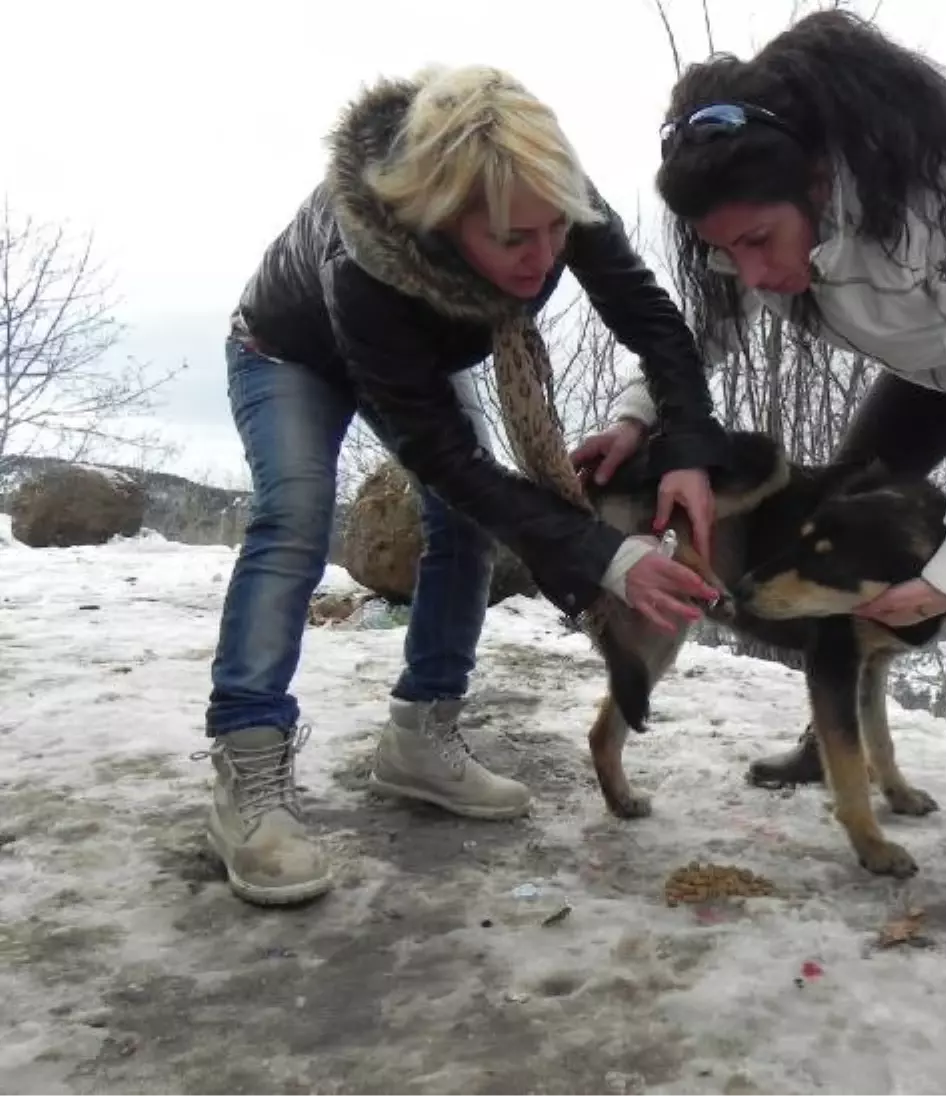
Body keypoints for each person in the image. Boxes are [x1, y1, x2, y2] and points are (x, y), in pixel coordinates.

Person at [593, 10, 946, 907]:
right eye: (727, 253)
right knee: (835, 502)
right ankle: (829, 730)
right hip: (931, 353)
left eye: (759, 242)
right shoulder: (758, 227)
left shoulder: (944, 213)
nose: (751, 274)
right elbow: (692, 344)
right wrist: (634, 417)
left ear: (814, 181)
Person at [199, 64, 726, 907]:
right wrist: (608, 559)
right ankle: (249, 764)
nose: (542, 255)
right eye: (514, 239)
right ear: (443, 218)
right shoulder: (363, 261)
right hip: (290, 353)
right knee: (295, 517)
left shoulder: (545, 193)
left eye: (556, 232)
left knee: (465, 527)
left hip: (423, 352)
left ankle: (420, 736)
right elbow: (443, 457)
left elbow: (652, 318)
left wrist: (690, 447)